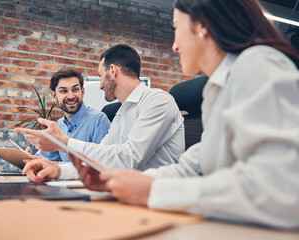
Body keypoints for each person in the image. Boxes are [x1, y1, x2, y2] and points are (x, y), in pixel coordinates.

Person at [65, 0, 299, 229]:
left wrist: (151, 191)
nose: (175, 45)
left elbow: (279, 189)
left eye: (176, 28)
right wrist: (117, 182)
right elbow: (188, 168)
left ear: (202, 26)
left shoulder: (258, 65)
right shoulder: (219, 89)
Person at [15, 44, 185, 180]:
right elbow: (97, 161)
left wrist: (64, 143)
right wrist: (57, 170)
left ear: (113, 71)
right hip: (129, 193)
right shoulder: (121, 114)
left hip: (159, 197)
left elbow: (128, 159)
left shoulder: (158, 100)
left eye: (100, 76)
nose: (100, 85)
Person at [32, 68, 111, 162]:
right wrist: (29, 158)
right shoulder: (59, 125)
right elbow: (43, 158)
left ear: (82, 92)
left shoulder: (99, 120)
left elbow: (103, 164)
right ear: (54, 96)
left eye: (75, 89)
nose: (70, 96)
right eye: (64, 91)